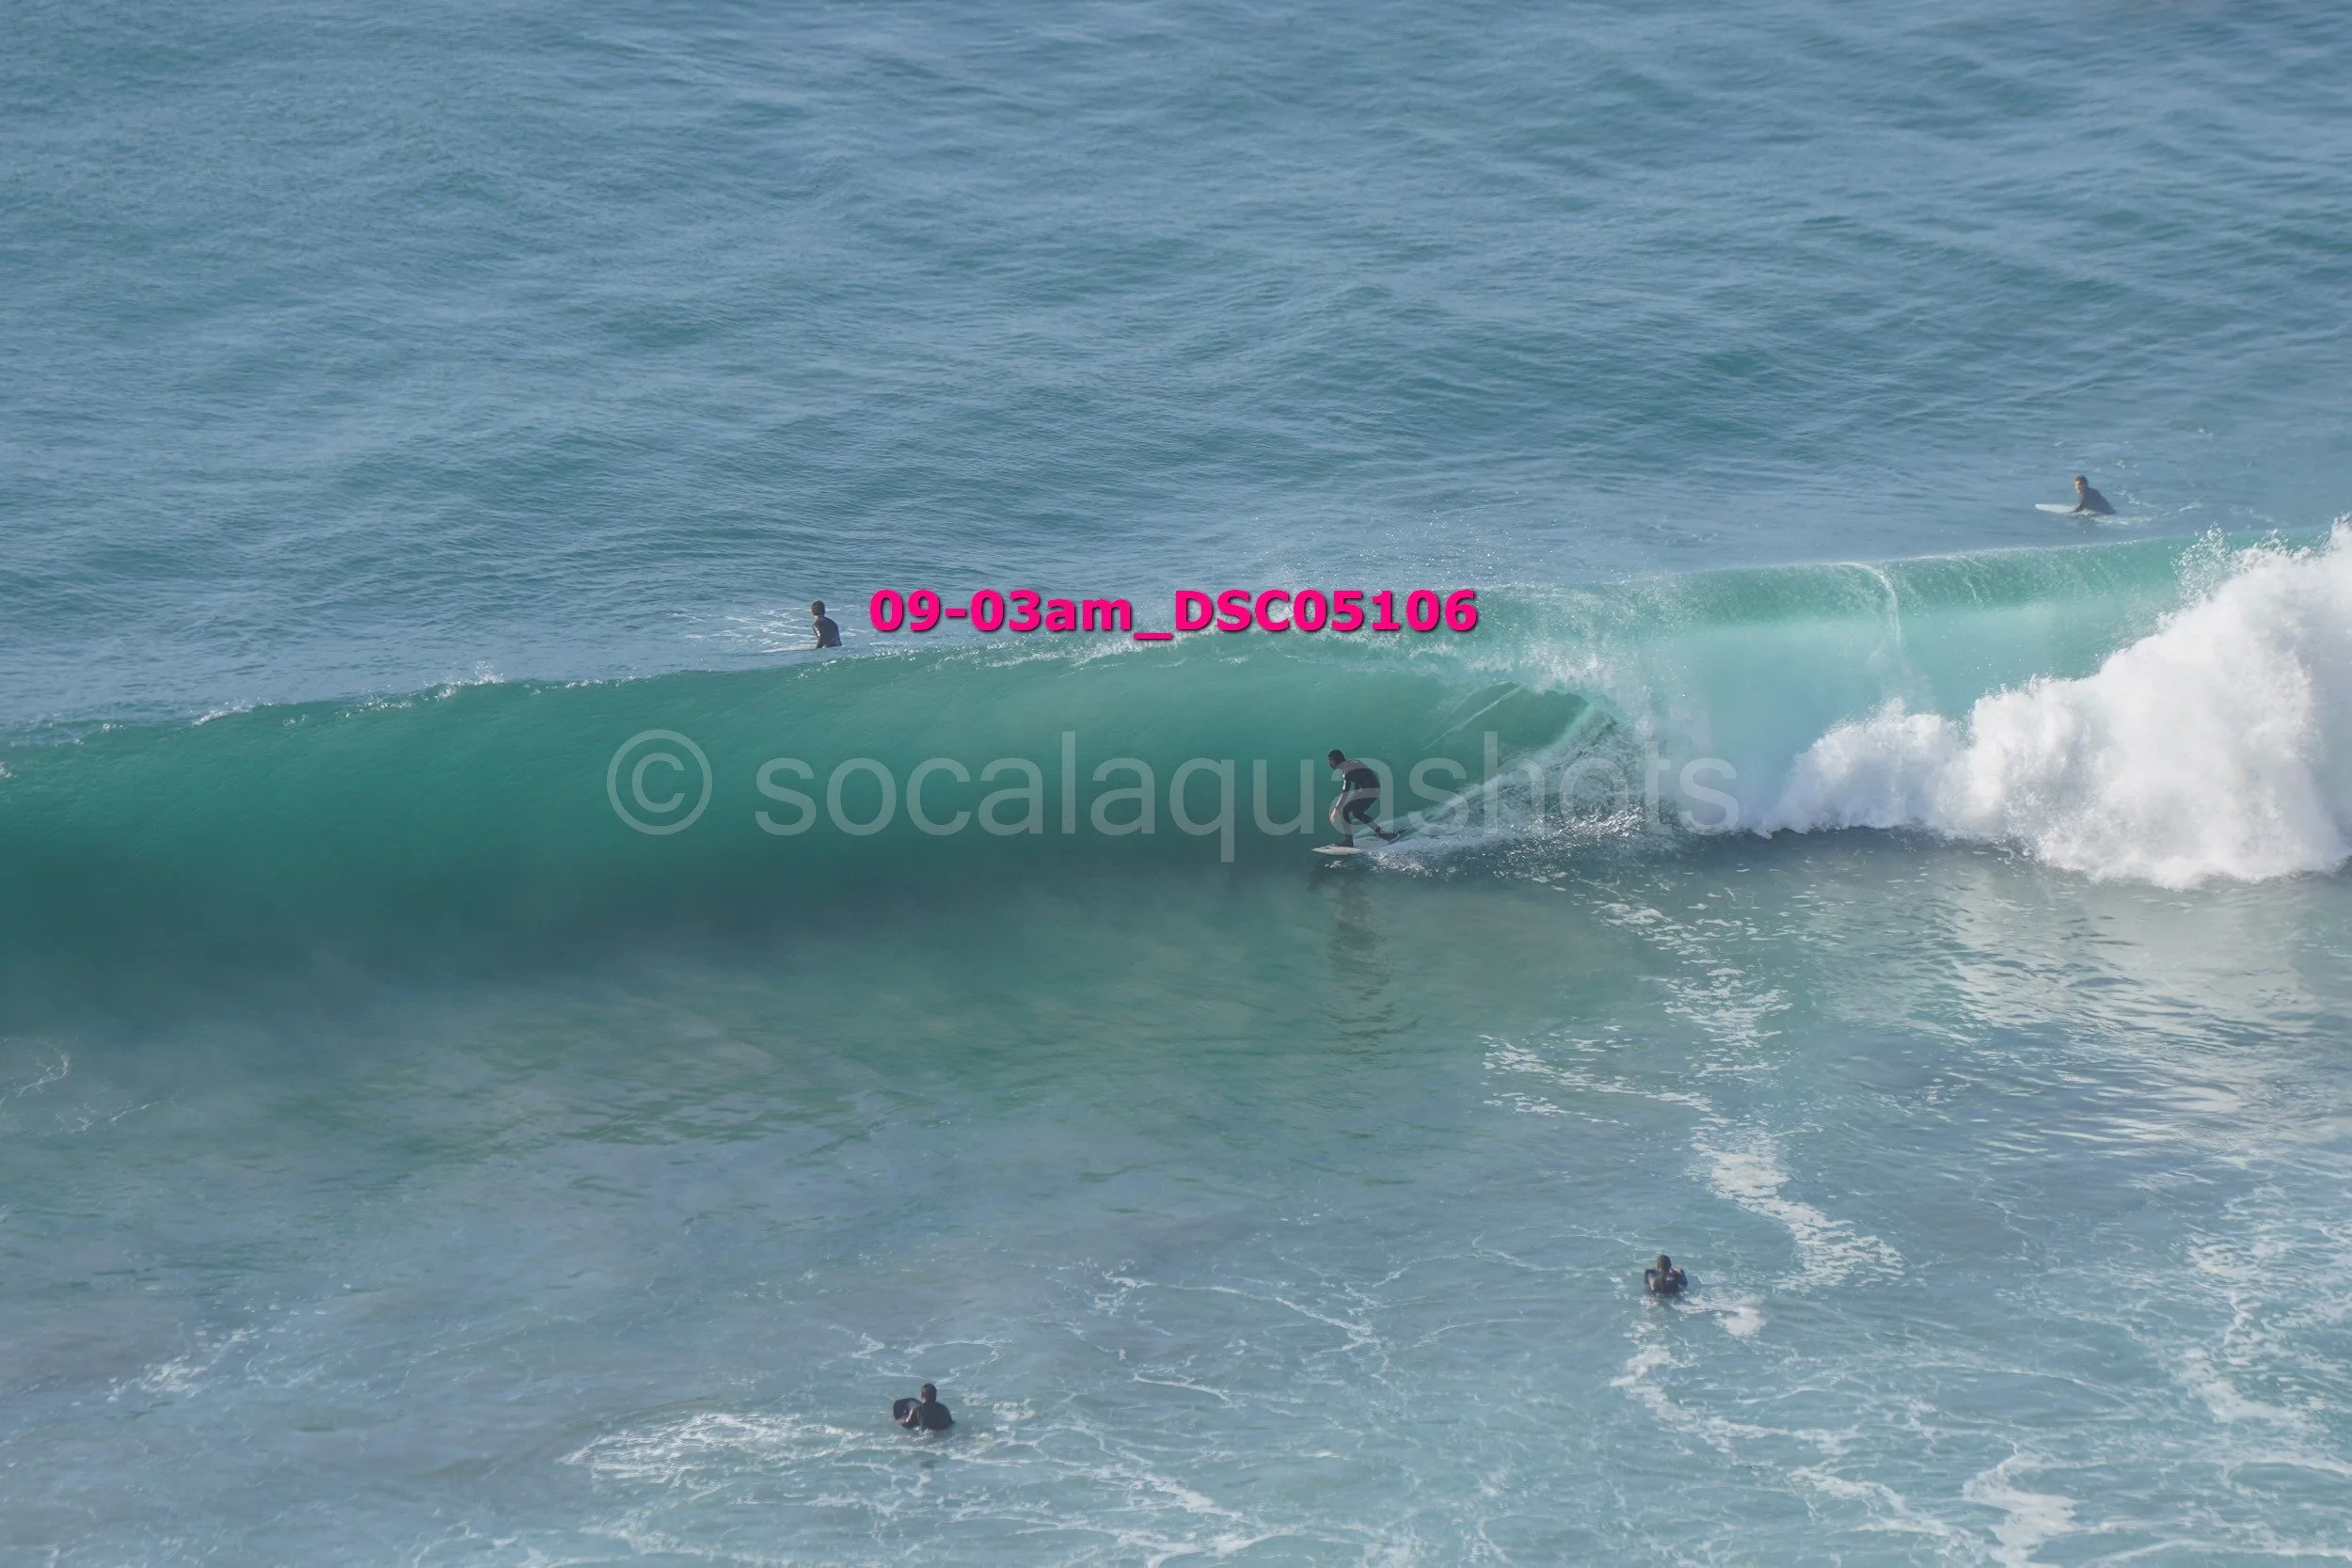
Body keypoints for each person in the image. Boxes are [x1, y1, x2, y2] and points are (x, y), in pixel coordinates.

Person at [1326, 751, 1397, 847]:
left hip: (1368, 791)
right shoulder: (1353, 762)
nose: (1329, 763)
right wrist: (1356, 792)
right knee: (1357, 813)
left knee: (1343, 811)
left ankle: (1348, 841)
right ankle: (1381, 833)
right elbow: (1361, 776)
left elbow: (1345, 792)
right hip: (1375, 789)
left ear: (1334, 760)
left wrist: (1336, 810)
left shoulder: (1346, 772)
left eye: (1330, 760)